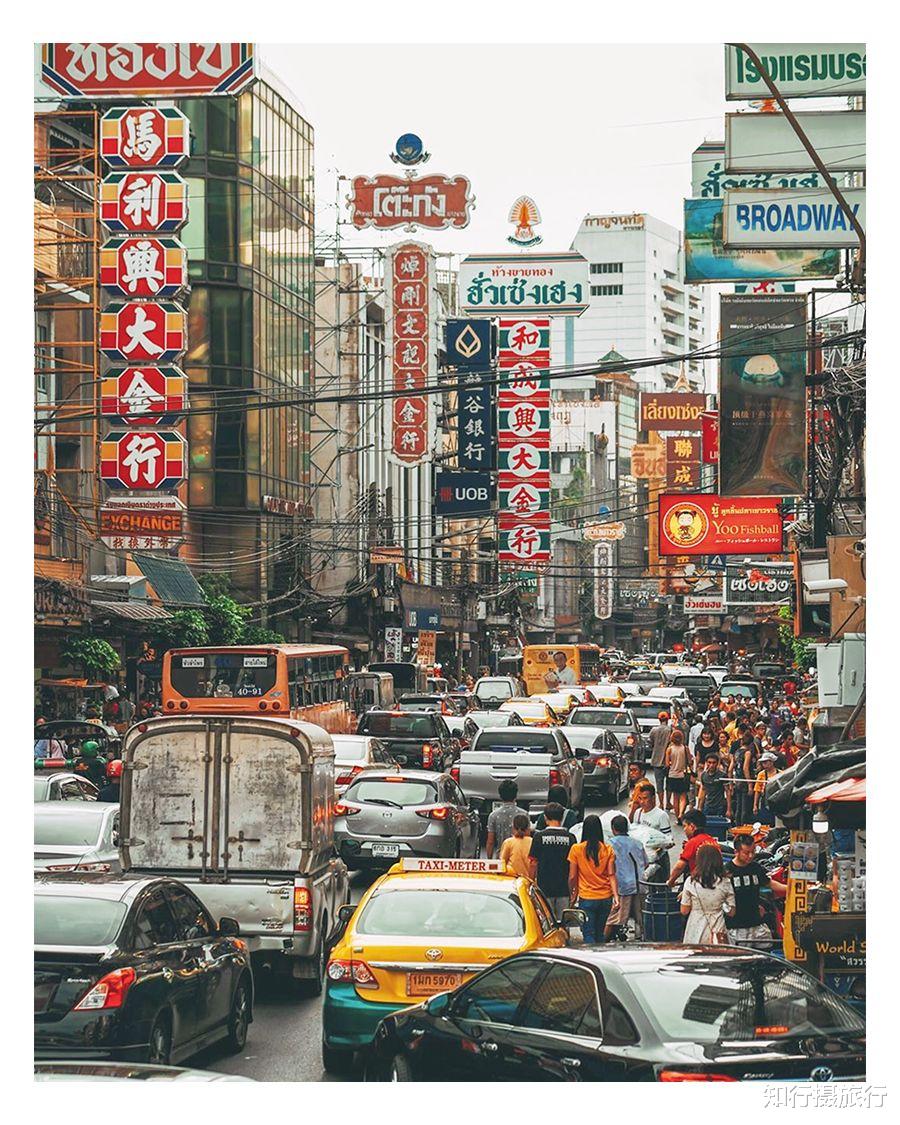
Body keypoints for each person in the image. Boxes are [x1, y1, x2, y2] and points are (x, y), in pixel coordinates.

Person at [724, 833, 786, 946]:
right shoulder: (727, 871)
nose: (751, 856)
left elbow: (769, 883)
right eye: (746, 853)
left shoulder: (755, 868)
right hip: (736, 927)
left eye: (753, 851)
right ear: (736, 852)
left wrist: (789, 889)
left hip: (757, 923)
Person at [567, 816, 618, 944]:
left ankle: (591, 958)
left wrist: (572, 893)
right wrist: (616, 896)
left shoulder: (576, 849)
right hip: (606, 898)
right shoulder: (608, 850)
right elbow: (612, 874)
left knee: (588, 933)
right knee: (600, 933)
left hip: (587, 898)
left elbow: (572, 876)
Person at [680, 843, 736, 944]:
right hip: (718, 928)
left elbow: (684, 910)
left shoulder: (691, 881)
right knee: (718, 955)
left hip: (695, 928)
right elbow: (731, 912)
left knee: (696, 956)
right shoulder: (725, 882)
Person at [604, 815, 648, 941]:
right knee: (641, 918)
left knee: (614, 918)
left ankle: (603, 941)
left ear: (613, 829)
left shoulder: (609, 845)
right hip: (640, 885)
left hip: (621, 887)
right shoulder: (638, 843)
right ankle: (641, 938)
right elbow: (646, 863)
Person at [529, 802, 575, 918]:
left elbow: (533, 863)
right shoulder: (570, 838)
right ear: (562, 817)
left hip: (544, 889)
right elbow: (573, 866)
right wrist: (572, 889)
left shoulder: (539, 837)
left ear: (545, 817)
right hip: (563, 890)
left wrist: (530, 882)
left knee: (547, 923)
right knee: (563, 924)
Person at [631, 782, 673, 883]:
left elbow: (669, 839)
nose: (642, 802)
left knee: (661, 889)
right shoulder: (638, 813)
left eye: (645, 798)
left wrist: (657, 848)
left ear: (653, 798)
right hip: (643, 859)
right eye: (640, 798)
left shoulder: (661, 815)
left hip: (659, 860)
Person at [667, 809, 721, 887]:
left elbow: (679, 867)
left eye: (685, 826)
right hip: (716, 883)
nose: (684, 830)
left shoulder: (693, 842)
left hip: (699, 885)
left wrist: (671, 881)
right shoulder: (712, 840)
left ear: (692, 826)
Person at [485, 779, 528, 858]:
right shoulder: (524, 814)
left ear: (500, 796)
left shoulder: (493, 815)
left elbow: (490, 841)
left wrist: (489, 860)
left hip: (501, 857)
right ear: (516, 795)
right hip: (519, 857)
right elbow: (527, 838)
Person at [697, 751, 731, 820]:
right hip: (708, 805)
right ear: (706, 763)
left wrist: (729, 809)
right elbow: (703, 791)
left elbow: (728, 792)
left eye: (714, 762)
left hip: (719, 806)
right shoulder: (704, 775)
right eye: (709, 762)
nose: (711, 765)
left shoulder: (722, 775)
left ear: (717, 763)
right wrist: (700, 807)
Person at [648, 711, 672, 809]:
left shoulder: (654, 730)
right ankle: (668, 803)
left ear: (659, 719)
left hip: (656, 760)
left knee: (659, 783)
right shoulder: (670, 730)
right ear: (667, 719)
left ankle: (661, 803)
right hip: (668, 761)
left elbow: (650, 742)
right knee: (669, 783)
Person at [499, 814, 532, 878]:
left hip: (512, 879)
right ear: (528, 827)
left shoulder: (508, 842)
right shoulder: (532, 842)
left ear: (513, 827)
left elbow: (502, 864)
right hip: (529, 879)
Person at [753, 752, 780, 824]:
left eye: (766, 762)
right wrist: (755, 805)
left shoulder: (780, 773)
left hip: (776, 803)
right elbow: (757, 790)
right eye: (762, 763)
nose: (764, 765)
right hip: (764, 802)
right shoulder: (761, 774)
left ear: (771, 762)